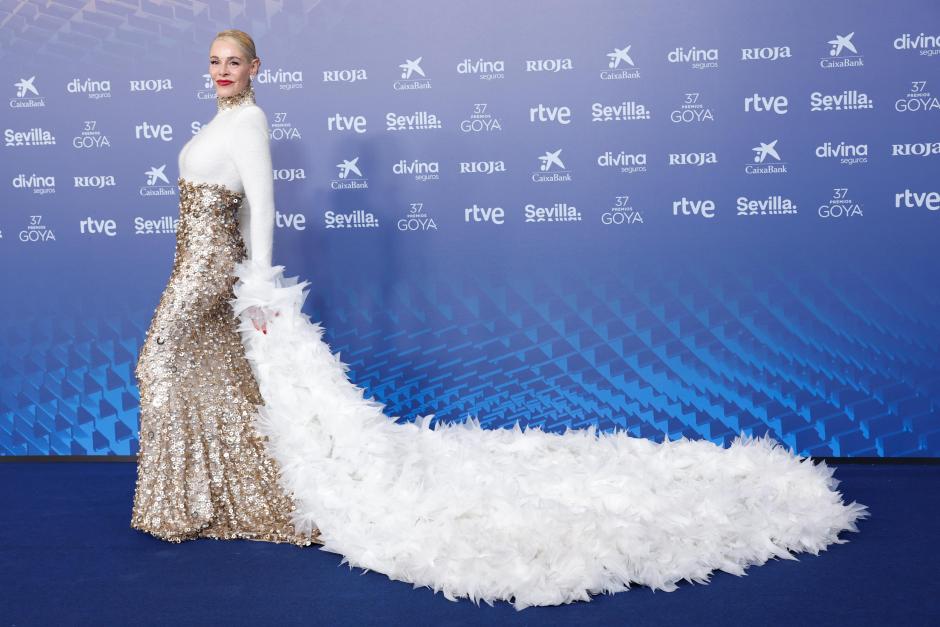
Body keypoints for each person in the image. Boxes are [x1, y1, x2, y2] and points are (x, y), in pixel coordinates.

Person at [133, 29, 869, 609]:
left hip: (211, 273)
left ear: (256, 68)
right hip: (192, 264)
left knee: (156, 365)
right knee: (219, 382)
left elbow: (262, 208)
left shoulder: (251, 122)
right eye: (214, 62)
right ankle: (223, 497)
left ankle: (191, 499)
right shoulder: (219, 122)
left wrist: (258, 284)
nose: (222, 71)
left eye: (234, 61)